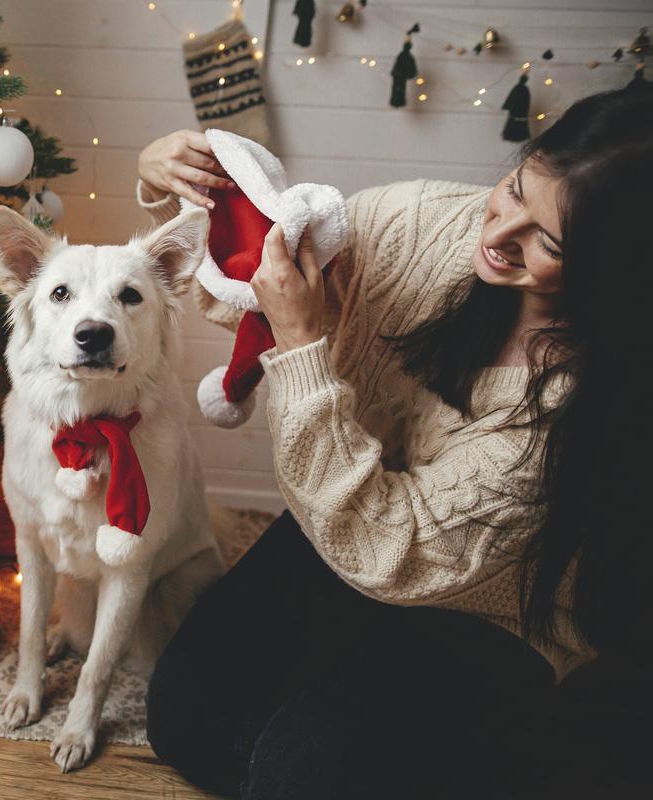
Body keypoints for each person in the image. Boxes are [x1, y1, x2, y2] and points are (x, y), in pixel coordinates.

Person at [135, 88, 653, 799]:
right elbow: (256, 279)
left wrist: (300, 344)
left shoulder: (574, 409)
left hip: (481, 601)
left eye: (549, 242)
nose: (501, 234)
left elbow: (385, 549)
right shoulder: (426, 222)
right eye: (514, 190)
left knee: (296, 775)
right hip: (356, 513)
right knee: (182, 719)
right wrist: (177, 186)